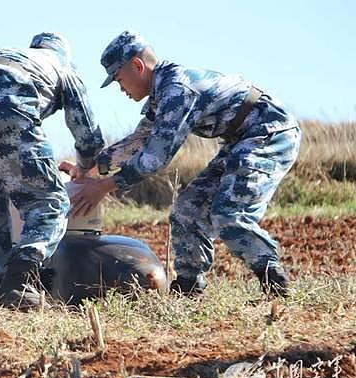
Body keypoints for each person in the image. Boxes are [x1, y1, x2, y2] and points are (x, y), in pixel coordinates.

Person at [62, 30, 301, 297]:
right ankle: (189, 285)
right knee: (187, 209)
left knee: (228, 213)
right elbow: (140, 139)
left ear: (138, 66)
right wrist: (90, 168)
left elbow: (155, 156)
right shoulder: (162, 93)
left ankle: (274, 282)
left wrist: (106, 185)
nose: (121, 89)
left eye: (120, 79)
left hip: (269, 133)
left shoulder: (177, 90)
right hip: (240, 139)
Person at [0, 32, 104, 307]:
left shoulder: (20, 56)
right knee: (50, 202)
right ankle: (20, 283)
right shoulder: (62, 67)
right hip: (8, 97)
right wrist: (84, 166)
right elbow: (88, 136)